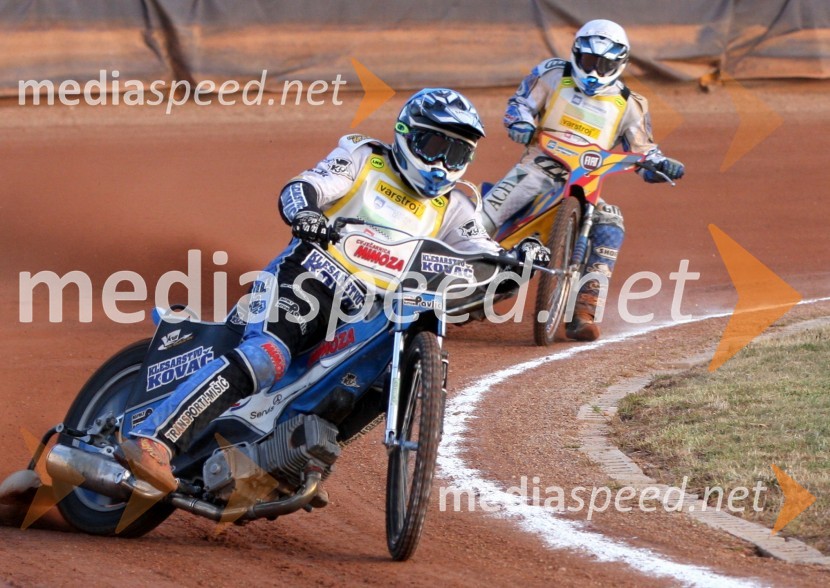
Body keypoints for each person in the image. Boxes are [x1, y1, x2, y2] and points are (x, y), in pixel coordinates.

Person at [121, 88, 547, 495]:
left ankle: (290, 461)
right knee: (267, 357)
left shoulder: (454, 206)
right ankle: (154, 438)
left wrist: (521, 259)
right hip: (307, 280)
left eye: (455, 153)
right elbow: (304, 187)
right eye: (433, 145)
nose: (441, 163)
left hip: (369, 311)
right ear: (406, 135)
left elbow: (484, 255)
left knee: (379, 379)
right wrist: (306, 213)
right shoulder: (364, 159)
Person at [481, 19, 685, 342]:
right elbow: (520, 105)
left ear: (620, 64)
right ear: (576, 54)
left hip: (587, 183)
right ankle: (446, 271)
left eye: (604, 65)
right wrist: (519, 122)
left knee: (611, 224)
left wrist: (659, 166)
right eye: (589, 61)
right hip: (537, 167)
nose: (594, 72)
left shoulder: (630, 105)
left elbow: (644, 152)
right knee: (485, 215)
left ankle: (584, 310)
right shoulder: (551, 74)